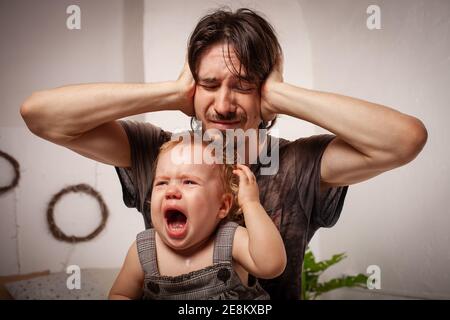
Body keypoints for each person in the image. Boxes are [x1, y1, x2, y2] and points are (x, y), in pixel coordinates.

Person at [20, 8, 427, 299]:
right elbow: (41, 116)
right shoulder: (160, 155)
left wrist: (280, 94)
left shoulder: (302, 165)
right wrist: (172, 93)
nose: (224, 104)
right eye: (209, 84)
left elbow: (404, 139)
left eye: (245, 85)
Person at [108, 135, 286, 299]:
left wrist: (251, 204)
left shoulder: (230, 239)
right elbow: (120, 294)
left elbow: (271, 265)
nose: (171, 191)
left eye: (189, 182)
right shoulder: (143, 251)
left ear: (222, 206)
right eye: (162, 182)